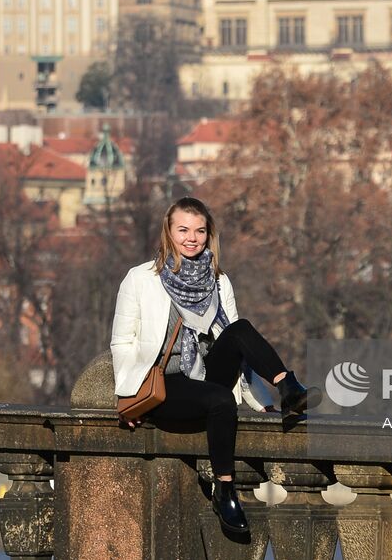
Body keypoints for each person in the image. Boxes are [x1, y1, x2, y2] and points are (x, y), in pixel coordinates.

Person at [110, 196, 322, 534]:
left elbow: (240, 351)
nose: (191, 238)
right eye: (183, 230)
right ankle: (225, 490)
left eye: (199, 231)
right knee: (221, 401)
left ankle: (288, 388)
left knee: (239, 328)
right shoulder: (140, 279)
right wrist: (128, 398)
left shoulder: (219, 280)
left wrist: (262, 403)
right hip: (167, 383)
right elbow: (121, 342)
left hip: (208, 375)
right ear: (168, 232)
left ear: (209, 235)